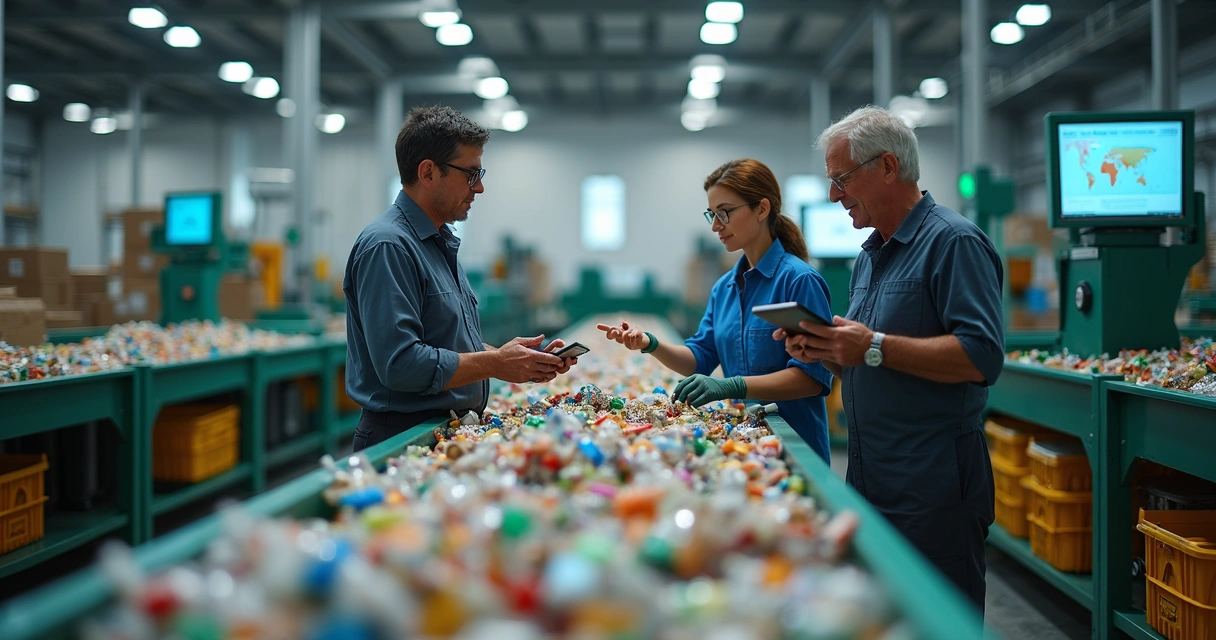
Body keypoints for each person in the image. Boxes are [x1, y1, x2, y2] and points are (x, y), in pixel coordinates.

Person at [779, 106, 1004, 612]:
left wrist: (873, 345)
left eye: (841, 179)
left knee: (938, 614)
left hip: (934, 485)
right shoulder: (871, 255)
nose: (835, 195)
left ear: (886, 167)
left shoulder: (954, 242)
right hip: (870, 476)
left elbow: (981, 355)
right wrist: (828, 351)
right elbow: (870, 360)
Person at [343, 105, 578, 452]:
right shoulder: (388, 246)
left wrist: (515, 358)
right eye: (470, 174)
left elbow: (446, 343)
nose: (479, 188)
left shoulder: (438, 243)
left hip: (440, 429)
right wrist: (496, 363)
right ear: (428, 172)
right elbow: (401, 365)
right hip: (400, 439)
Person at [598, 159, 835, 462]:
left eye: (724, 212)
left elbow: (811, 378)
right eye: (712, 213)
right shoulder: (724, 288)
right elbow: (700, 359)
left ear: (762, 209)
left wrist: (730, 386)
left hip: (794, 448)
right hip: (743, 443)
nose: (715, 226)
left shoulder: (799, 281)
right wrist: (649, 343)